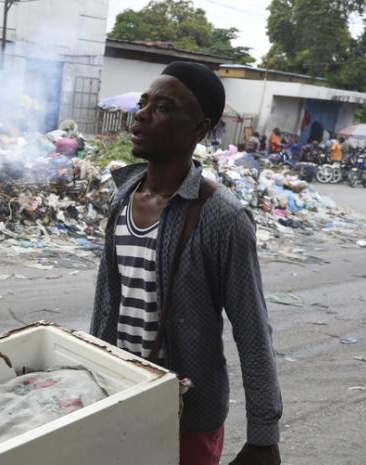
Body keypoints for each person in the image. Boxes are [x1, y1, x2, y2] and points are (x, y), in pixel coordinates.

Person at [93, 61, 282, 465]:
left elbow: (252, 330)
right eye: (144, 102)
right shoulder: (121, 197)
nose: (141, 114)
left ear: (198, 129)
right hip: (115, 396)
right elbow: (108, 302)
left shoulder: (223, 218)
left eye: (162, 107)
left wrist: (263, 435)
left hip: (187, 418)